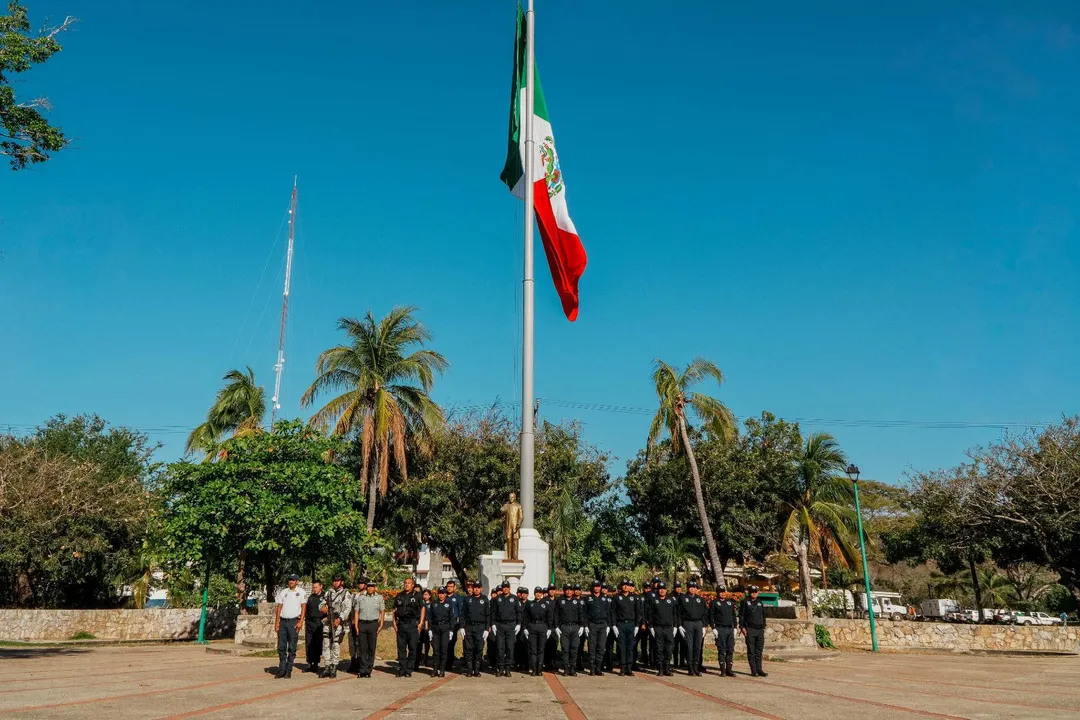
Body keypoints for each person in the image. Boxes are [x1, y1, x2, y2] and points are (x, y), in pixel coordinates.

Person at [274, 574, 307, 679]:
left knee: (292, 647)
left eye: (293, 580)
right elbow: (279, 607)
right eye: (290, 580)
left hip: (294, 622)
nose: (291, 582)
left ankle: (288, 670)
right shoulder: (283, 592)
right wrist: (277, 622)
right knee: (281, 647)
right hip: (283, 622)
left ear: (297, 581)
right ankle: (282, 669)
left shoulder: (301, 592)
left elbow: (303, 607)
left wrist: (301, 621)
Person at [392, 577, 425, 677]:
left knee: (412, 648)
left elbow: (423, 608)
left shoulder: (417, 595)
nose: (407, 584)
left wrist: (421, 623)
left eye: (409, 583)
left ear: (412, 585)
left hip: (412, 624)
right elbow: (394, 609)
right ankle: (402, 668)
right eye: (405, 583)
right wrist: (394, 623)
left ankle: (409, 670)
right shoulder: (399, 595)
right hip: (401, 624)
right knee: (401, 648)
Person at [352, 579, 384, 678]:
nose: (370, 588)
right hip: (362, 624)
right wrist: (356, 625)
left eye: (372, 587)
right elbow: (356, 612)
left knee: (371, 648)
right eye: (369, 587)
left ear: (375, 588)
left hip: (373, 624)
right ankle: (362, 670)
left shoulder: (379, 598)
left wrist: (381, 624)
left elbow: (382, 611)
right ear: (366, 587)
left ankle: (368, 670)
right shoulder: (361, 598)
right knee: (362, 648)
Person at [320, 574, 351, 678]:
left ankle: (334, 666)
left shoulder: (345, 593)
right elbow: (322, 604)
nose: (335, 582)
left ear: (342, 582)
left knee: (335, 644)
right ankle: (327, 665)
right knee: (326, 644)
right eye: (334, 581)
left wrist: (340, 619)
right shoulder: (328, 592)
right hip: (328, 621)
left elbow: (347, 609)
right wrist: (322, 607)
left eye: (338, 581)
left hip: (338, 621)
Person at [647, 581, 679, 676]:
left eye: (663, 589)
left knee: (669, 649)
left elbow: (675, 614)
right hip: (658, 628)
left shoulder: (671, 601)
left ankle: (667, 668)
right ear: (657, 590)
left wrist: (675, 626)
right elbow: (650, 614)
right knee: (659, 649)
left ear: (666, 590)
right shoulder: (654, 601)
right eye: (660, 589)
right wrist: (651, 627)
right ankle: (660, 669)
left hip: (669, 628)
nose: (662, 590)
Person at [491, 581, 522, 677]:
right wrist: (493, 624)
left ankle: (508, 669)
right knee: (500, 648)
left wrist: (519, 624)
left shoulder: (515, 598)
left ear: (509, 588)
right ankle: (500, 668)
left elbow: (518, 612)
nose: (505, 589)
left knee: (510, 648)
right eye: (504, 587)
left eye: (507, 587)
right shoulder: (497, 599)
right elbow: (493, 612)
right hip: (500, 625)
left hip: (510, 626)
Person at [678, 581, 707, 676]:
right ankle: (690, 667)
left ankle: (696, 667)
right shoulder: (682, 598)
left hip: (698, 623)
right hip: (687, 623)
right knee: (689, 646)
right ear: (687, 588)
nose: (692, 589)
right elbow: (678, 612)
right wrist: (679, 625)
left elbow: (704, 613)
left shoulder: (700, 599)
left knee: (697, 647)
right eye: (691, 587)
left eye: (694, 587)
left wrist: (704, 626)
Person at [461, 581, 490, 677]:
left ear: (481, 589)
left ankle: (476, 670)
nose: (476, 589)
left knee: (479, 648)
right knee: (468, 649)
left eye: (478, 587)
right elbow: (463, 614)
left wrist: (486, 629)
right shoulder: (467, 599)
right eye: (475, 587)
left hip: (480, 627)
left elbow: (487, 615)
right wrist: (462, 627)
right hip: (469, 627)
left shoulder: (484, 599)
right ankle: (469, 670)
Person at [555, 582, 585, 676]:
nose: (568, 592)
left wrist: (582, 626)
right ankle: (566, 669)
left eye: (570, 590)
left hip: (575, 627)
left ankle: (572, 668)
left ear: (572, 591)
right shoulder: (560, 600)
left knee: (574, 649)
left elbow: (581, 614)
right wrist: (556, 627)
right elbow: (556, 615)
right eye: (566, 590)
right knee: (565, 649)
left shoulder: (576, 601)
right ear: (564, 591)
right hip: (564, 627)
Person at [613, 579, 640, 676]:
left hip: (631, 624)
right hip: (621, 624)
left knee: (630, 647)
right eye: (623, 585)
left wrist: (637, 625)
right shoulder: (616, 597)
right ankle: (622, 667)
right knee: (622, 647)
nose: (625, 586)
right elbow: (613, 612)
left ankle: (629, 667)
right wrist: (614, 625)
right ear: (621, 586)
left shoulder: (634, 598)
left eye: (627, 585)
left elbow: (638, 612)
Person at [708, 590, 738, 677]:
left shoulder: (730, 602)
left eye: (724, 592)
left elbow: (733, 615)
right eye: (721, 592)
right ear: (718, 593)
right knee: (722, 650)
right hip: (720, 628)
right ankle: (723, 670)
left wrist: (735, 627)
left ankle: (729, 670)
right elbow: (711, 616)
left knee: (730, 649)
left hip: (730, 628)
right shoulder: (714, 603)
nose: (723, 594)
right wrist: (713, 628)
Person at [427, 586, 456, 678]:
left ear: (445, 594)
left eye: (443, 593)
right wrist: (430, 629)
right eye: (440, 593)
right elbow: (430, 618)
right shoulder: (434, 604)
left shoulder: (449, 604)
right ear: (437, 594)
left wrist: (451, 630)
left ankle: (442, 670)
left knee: (443, 649)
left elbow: (452, 618)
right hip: (435, 628)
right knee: (436, 650)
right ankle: (435, 669)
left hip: (445, 628)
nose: (441, 595)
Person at [524, 586, 553, 676]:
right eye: (537, 592)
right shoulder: (530, 604)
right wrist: (525, 628)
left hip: (542, 627)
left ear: (542, 594)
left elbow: (549, 618)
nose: (538, 594)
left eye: (540, 592)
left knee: (541, 649)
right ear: (534, 593)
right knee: (533, 649)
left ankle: (539, 670)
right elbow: (526, 617)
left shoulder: (546, 604)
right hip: (532, 627)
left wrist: (549, 628)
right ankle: (534, 670)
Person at [583, 580, 610, 676]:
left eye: (598, 586)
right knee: (592, 647)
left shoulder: (604, 599)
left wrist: (608, 625)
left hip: (602, 625)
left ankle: (598, 668)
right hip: (592, 625)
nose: (597, 588)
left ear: (600, 588)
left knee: (601, 647)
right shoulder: (587, 599)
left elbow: (608, 612)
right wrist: (585, 626)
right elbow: (584, 613)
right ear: (592, 588)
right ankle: (592, 668)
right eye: (595, 586)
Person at [740, 585, 768, 677]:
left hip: (759, 629)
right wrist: (742, 627)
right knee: (751, 651)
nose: (754, 593)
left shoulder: (760, 602)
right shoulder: (745, 602)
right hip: (750, 629)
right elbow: (741, 615)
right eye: (752, 592)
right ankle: (754, 670)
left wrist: (763, 626)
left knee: (759, 651)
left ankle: (759, 669)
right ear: (749, 592)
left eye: (755, 592)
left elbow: (763, 615)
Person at [303, 580, 325, 674]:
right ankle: (309, 663)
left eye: (316, 587)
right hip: (309, 623)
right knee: (309, 643)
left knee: (317, 644)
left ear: (321, 587)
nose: (314, 589)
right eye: (313, 587)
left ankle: (315, 664)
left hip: (318, 623)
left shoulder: (324, 597)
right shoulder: (311, 597)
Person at [444, 580, 463, 671]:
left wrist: (460, 625)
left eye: (451, 586)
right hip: (444, 623)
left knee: (451, 644)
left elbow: (460, 612)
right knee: (443, 644)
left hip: (454, 624)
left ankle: (449, 664)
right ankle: (442, 663)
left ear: (454, 587)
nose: (449, 588)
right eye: (448, 586)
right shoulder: (443, 596)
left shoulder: (458, 598)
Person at [347, 578, 365, 673]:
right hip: (352, 622)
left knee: (360, 643)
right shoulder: (355, 595)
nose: (360, 584)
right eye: (359, 583)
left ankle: (360, 662)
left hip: (361, 622)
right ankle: (353, 661)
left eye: (362, 583)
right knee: (352, 643)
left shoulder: (367, 595)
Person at [515, 586, 531, 671]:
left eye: (525, 593)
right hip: (519, 627)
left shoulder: (530, 603)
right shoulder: (518, 602)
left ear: (527, 595)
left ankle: (527, 664)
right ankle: (519, 663)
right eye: (522, 593)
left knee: (527, 646)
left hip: (527, 628)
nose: (523, 595)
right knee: (519, 645)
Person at [416, 588, 432, 671]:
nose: (425, 596)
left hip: (428, 626)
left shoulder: (432, 604)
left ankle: (426, 657)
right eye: (424, 594)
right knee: (419, 643)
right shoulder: (421, 604)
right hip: (420, 626)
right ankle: (419, 659)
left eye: (426, 594)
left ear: (430, 595)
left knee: (427, 643)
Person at [671, 580, 686, 669]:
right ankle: (675, 661)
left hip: (682, 623)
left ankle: (682, 661)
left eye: (679, 587)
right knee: (675, 644)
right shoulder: (670, 596)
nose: (678, 589)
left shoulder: (683, 596)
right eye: (677, 587)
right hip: (673, 623)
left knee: (683, 643)